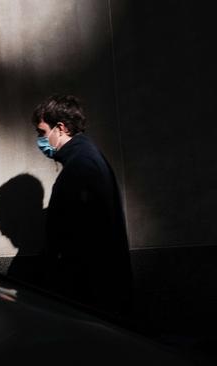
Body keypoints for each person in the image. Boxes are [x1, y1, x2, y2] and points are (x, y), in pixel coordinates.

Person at [32, 94, 132, 318]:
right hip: (98, 287)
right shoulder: (86, 158)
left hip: (88, 290)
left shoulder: (80, 165)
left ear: (61, 128)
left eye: (41, 132)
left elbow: (70, 235)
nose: (39, 140)